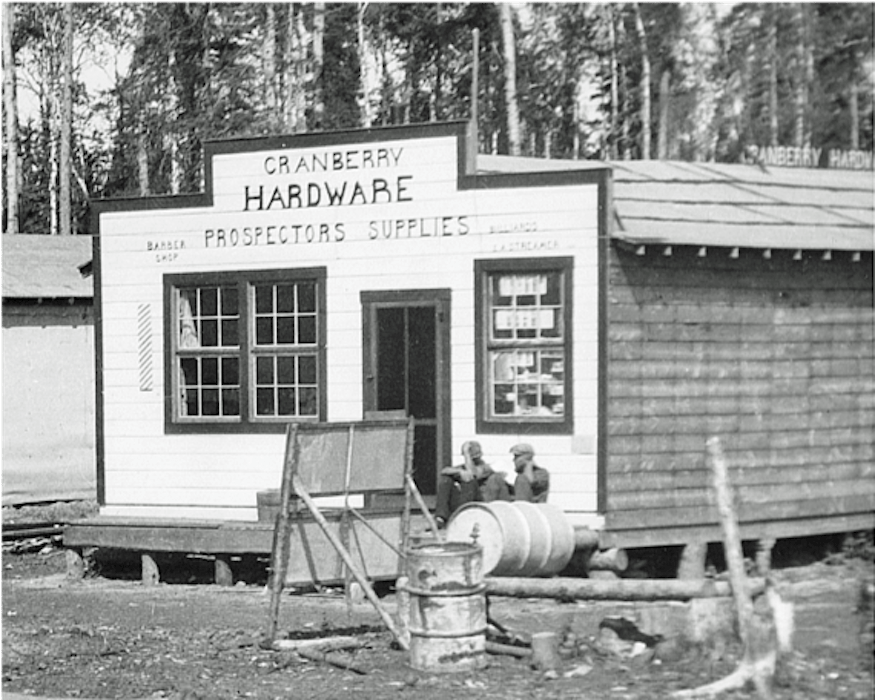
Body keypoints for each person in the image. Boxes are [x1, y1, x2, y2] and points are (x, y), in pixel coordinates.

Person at [434, 441, 511, 527]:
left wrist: (466, 454)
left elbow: (473, 474)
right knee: (446, 479)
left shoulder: (487, 467)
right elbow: (444, 471)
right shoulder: (462, 468)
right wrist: (459, 471)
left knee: (469, 481)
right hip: (463, 500)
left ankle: (463, 517)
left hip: (481, 501)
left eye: (472, 458)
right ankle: (441, 517)